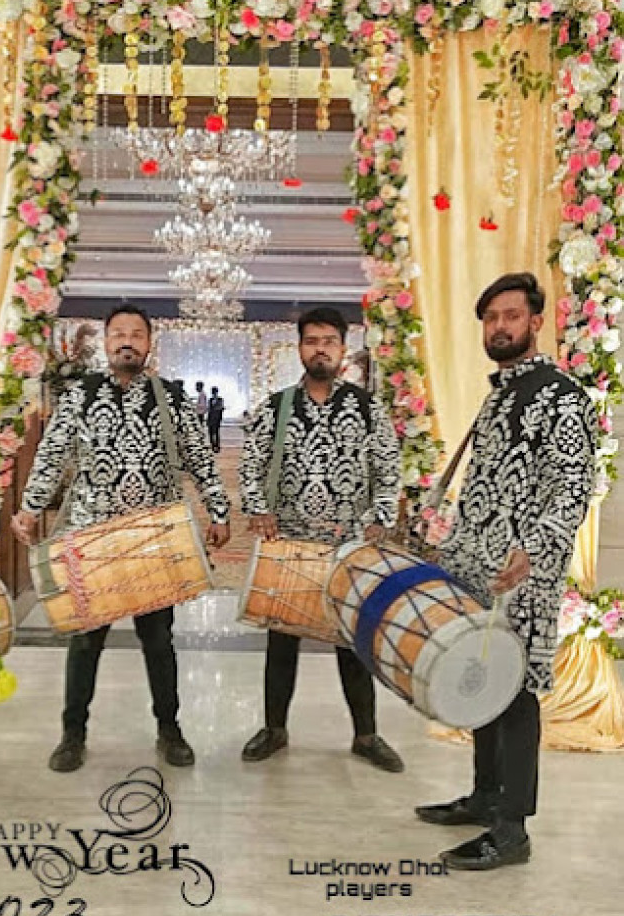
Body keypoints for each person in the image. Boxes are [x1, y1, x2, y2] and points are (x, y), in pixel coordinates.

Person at [415, 272, 596, 870]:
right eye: (491, 318)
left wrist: (534, 549)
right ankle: (484, 796)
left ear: (535, 322)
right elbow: (482, 488)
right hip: (478, 569)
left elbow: (573, 487)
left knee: (515, 694)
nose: (500, 327)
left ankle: (512, 829)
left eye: (511, 316)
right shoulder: (498, 395)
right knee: (482, 682)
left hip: (524, 575)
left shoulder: (561, 396)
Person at [12, 303, 231, 773]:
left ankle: (169, 729)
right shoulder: (79, 395)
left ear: (149, 344)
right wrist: (30, 506)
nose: (126, 341)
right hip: (91, 538)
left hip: (154, 540)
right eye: (118, 335)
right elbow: (51, 454)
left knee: (159, 640)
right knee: (86, 641)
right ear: (107, 345)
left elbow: (198, 457)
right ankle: (73, 733)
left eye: (136, 334)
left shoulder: (171, 398)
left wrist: (218, 509)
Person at [239, 305, 404, 773]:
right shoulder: (275, 408)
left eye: (329, 342)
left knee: (352, 644)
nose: (320, 349)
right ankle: (274, 728)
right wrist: (259, 508)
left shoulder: (368, 408)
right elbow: (251, 467)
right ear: (300, 349)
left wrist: (379, 517)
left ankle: (366, 735)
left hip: (348, 545)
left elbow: (388, 471)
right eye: (312, 341)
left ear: (343, 350)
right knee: (282, 643)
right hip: (289, 545)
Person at [207, 386, 225, 453]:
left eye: (214, 392)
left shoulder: (220, 400)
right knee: (211, 433)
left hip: (217, 419)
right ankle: (212, 446)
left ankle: (217, 446)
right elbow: (209, 410)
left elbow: (221, 408)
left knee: (216, 433)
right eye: (213, 392)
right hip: (210, 418)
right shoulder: (210, 400)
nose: (214, 394)